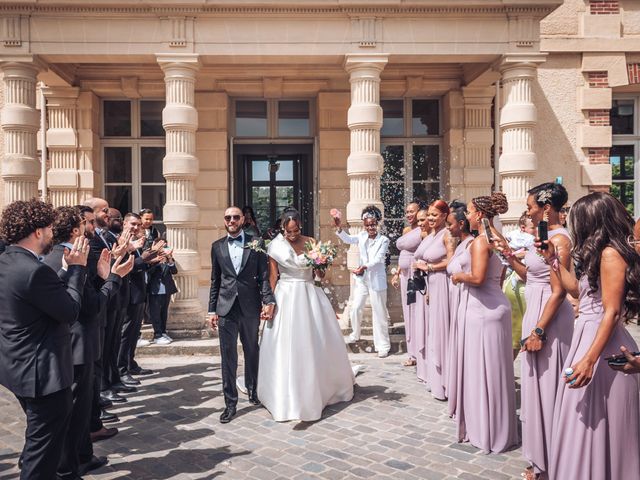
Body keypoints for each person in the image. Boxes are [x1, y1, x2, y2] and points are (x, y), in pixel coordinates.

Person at [545, 192, 640, 480]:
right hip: (586, 335)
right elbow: (578, 291)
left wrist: (588, 360)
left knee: (595, 426)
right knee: (579, 421)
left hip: (601, 342)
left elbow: (610, 312)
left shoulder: (612, 254)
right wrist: (552, 262)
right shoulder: (600, 254)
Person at [0, 199, 88, 480]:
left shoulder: (8, 262)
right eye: (50, 228)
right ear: (38, 231)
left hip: (17, 368)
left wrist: (62, 270)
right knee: (42, 455)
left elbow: (35, 298)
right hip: (44, 376)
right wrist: (77, 269)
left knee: (37, 440)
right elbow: (70, 311)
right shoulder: (34, 271)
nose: (53, 234)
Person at [44, 207, 133, 479]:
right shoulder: (70, 258)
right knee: (75, 414)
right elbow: (91, 305)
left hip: (75, 344)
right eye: (84, 223)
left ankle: (83, 455)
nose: (88, 227)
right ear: (74, 230)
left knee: (80, 412)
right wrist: (113, 278)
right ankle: (69, 467)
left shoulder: (57, 255)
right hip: (77, 346)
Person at [498, 183, 575, 479]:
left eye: (530, 207)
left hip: (550, 318)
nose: (527, 213)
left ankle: (551, 461)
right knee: (535, 390)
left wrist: (539, 331)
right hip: (535, 308)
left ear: (546, 208)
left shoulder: (561, 240)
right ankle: (538, 457)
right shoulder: (542, 239)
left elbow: (558, 291)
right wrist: (511, 256)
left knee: (548, 390)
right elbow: (531, 276)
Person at [258, 208, 354, 421]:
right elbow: (273, 277)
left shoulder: (311, 242)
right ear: (283, 228)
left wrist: (319, 262)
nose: (293, 234)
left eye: (296, 230)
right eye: (289, 231)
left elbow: (320, 275)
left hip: (310, 294)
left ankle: (320, 386)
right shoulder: (275, 246)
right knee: (287, 343)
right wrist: (268, 302)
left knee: (315, 340)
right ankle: (284, 393)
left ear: (300, 226)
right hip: (286, 296)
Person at [451, 192, 518, 453]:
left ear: (479, 215)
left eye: (468, 212)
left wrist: (458, 276)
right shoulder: (499, 239)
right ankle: (498, 427)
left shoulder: (480, 242)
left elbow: (477, 277)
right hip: (497, 305)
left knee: (481, 371)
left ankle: (485, 430)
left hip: (481, 310)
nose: (466, 216)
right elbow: (498, 277)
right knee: (496, 372)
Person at [208, 206, 276, 424]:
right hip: (226, 308)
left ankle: (253, 390)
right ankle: (230, 403)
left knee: (251, 350)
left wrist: (268, 300)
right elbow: (215, 281)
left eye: (235, 217)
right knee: (228, 357)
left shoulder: (256, 243)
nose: (231, 220)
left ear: (243, 220)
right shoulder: (217, 246)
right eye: (228, 217)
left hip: (249, 306)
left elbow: (264, 277)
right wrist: (211, 310)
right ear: (224, 220)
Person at [335, 205, 391, 358]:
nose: (370, 228)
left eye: (372, 224)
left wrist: (363, 267)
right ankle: (355, 333)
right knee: (355, 307)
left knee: (379, 312)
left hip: (376, 281)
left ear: (377, 223)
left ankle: (383, 345)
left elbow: (378, 259)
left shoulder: (383, 240)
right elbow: (347, 239)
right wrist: (339, 227)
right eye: (367, 225)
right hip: (362, 280)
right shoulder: (361, 236)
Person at [413, 200, 454, 400]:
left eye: (434, 215)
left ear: (445, 216)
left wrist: (429, 267)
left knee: (440, 330)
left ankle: (446, 381)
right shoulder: (432, 234)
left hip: (444, 285)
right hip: (432, 285)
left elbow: (452, 261)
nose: (430, 218)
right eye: (429, 214)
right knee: (432, 331)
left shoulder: (447, 235)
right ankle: (434, 379)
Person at [445, 201, 473, 418]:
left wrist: (459, 277)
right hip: (458, 295)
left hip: (468, 298)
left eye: (451, 224)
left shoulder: (474, 244)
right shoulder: (462, 244)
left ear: (462, 224)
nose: (449, 228)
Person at [392, 201, 423, 367]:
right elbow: (403, 252)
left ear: (419, 213)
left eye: (412, 211)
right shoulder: (406, 230)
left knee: (416, 312)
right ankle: (412, 352)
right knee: (407, 312)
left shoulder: (424, 231)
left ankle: (419, 352)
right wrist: (397, 273)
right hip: (404, 276)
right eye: (407, 211)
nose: (409, 214)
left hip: (415, 275)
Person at [502, 211, 535, 359]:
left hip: (528, 286)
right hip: (516, 287)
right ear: (523, 228)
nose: (535, 230)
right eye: (532, 227)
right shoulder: (517, 238)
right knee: (515, 332)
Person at [411, 208, 432, 382]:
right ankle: (423, 367)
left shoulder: (438, 237)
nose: (420, 224)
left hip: (430, 286)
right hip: (421, 285)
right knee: (422, 325)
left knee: (429, 328)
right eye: (418, 221)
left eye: (422, 219)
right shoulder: (424, 236)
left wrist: (426, 267)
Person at [147, 247, 178, 345]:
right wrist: (157, 263)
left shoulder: (169, 259)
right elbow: (149, 272)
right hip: (155, 290)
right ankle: (157, 334)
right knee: (155, 313)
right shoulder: (151, 259)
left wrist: (169, 259)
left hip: (166, 290)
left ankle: (163, 332)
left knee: (164, 312)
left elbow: (174, 271)